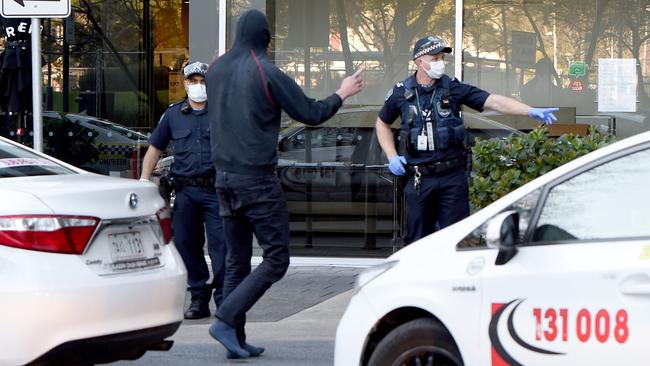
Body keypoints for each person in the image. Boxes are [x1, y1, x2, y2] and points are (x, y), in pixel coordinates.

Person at [205, 9, 363, 359]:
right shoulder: (266, 72)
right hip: (256, 181)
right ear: (266, 37)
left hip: (223, 180)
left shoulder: (214, 70)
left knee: (237, 262)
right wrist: (342, 92)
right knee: (276, 259)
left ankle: (234, 336)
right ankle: (226, 319)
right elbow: (311, 113)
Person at [376, 36, 558, 244]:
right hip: (419, 179)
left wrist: (530, 111)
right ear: (419, 62)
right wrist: (392, 156)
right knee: (418, 241)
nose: (440, 62)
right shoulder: (400, 92)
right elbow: (382, 124)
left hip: (451, 178)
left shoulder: (453, 88)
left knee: (455, 240)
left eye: (442, 57)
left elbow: (493, 101)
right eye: (435, 58)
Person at [139, 61, 226, 320]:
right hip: (186, 192)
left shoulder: (222, 112)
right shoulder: (174, 114)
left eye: (203, 80)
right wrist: (145, 180)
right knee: (187, 245)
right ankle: (198, 296)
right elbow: (155, 148)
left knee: (222, 246)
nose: (198, 85)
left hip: (216, 190)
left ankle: (224, 298)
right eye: (193, 80)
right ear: (185, 83)